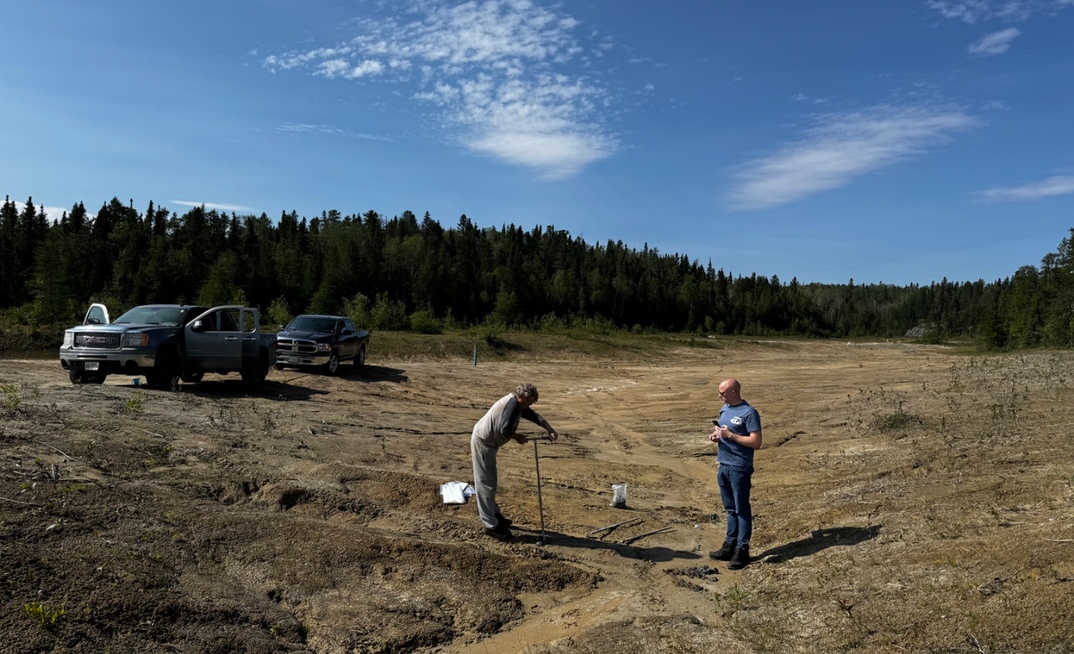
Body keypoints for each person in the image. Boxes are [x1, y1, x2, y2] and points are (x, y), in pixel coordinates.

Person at [471, 383, 559, 539]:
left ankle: (494, 515)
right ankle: (490, 525)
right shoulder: (512, 406)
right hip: (483, 442)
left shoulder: (519, 405)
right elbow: (504, 430)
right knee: (486, 483)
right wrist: (517, 437)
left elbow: (535, 417)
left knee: (491, 482)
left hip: (490, 443)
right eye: (528, 402)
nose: (529, 406)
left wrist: (550, 429)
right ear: (522, 397)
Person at [708, 378, 762, 569]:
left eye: (722, 393)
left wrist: (731, 436)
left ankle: (742, 549)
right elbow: (725, 434)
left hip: (740, 468)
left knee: (741, 509)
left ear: (734, 392)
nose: (719, 396)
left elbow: (756, 442)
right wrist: (718, 437)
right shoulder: (725, 411)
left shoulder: (749, 413)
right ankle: (729, 545)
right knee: (730, 508)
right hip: (724, 465)